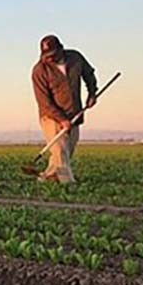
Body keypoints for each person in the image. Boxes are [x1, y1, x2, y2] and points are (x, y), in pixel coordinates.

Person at [31, 35, 97, 183]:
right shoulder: (39, 70)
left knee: (66, 151)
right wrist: (61, 119)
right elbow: (44, 101)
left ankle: (48, 177)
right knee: (60, 150)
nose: (49, 59)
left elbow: (89, 74)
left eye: (52, 55)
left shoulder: (75, 58)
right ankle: (68, 183)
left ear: (61, 49)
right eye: (46, 56)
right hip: (51, 116)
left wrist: (92, 93)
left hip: (74, 113)